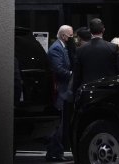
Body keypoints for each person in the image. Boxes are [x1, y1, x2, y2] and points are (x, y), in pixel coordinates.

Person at [45, 25, 73, 162]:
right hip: (59, 91)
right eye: (70, 35)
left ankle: (55, 151)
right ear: (63, 36)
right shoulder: (56, 48)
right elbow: (59, 70)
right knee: (58, 124)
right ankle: (54, 152)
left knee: (60, 123)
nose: (72, 38)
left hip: (62, 90)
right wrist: (73, 74)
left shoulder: (61, 46)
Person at [73, 18, 119, 93]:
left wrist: (75, 92)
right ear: (103, 30)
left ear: (90, 31)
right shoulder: (113, 48)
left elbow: (77, 75)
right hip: (108, 91)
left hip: (88, 91)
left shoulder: (80, 50)